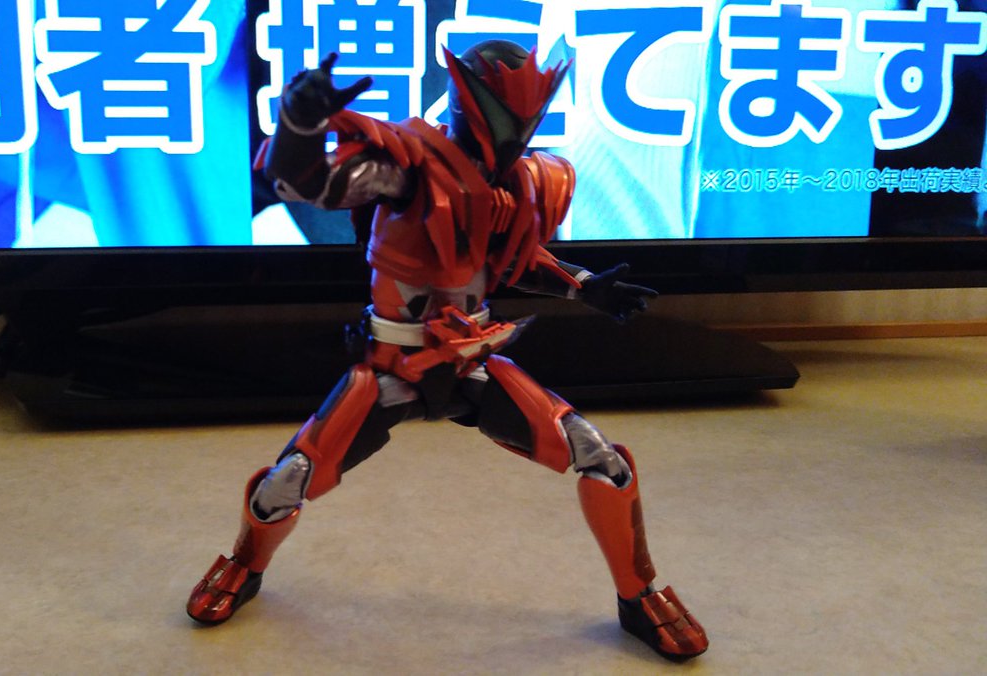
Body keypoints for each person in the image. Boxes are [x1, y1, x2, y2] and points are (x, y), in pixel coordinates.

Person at [186, 40, 708, 662]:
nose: (517, 134)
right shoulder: (408, 167)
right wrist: (300, 122)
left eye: (528, 119)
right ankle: (245, 564)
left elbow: (516, 261)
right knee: (288, 481)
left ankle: (638, 595)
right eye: (507, 118)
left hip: (472, 368)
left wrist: (583, 285)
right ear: (468, 103)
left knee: (602, 460)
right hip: (391, 370)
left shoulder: (521, 184)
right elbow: (303, 182)